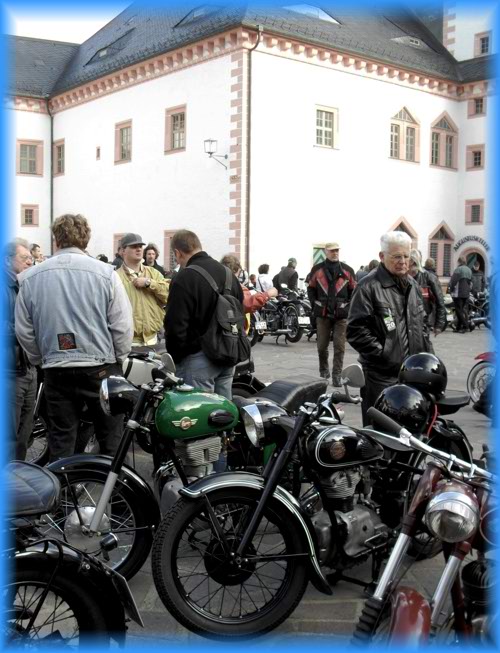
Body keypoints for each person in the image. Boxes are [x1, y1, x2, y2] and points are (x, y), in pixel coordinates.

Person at [15, 214, 133, 462]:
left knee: (61, 441)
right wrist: (118, 358)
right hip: (100, 366)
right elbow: (122, 324)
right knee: (111, 440)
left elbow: (24, 329)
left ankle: (62, 496)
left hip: (56, 368)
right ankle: (112, 498)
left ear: (56, 239)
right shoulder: (106, 273)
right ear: (85, 239)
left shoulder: (30, 277)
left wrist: (41, 358)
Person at [346, 230, 433, 424]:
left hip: (414, 373)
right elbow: (355, 330)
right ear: (382, 256)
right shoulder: (368, 286)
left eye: (406, 256)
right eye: (397, 256)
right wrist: (384, 354)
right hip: (381, 376)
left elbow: (422, 324)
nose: (403, 261)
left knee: (412, 432)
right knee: (381, 432)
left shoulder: (412, 284)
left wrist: (428, 356)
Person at [164, 230, 243, 399]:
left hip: (198, 359)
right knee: (222, 415)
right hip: (228, 354)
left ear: (177, 253)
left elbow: (175, 326)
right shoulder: (229, 275)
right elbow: (238, 310)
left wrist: (177, 359)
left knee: (197, 418)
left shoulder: (184, 277)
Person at [307, 242, 356, 385]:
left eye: (337, 251)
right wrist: (314, 303)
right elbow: (311, 288)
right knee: (322, 346)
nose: (335, 253)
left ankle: (336, 375)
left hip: (341, 315)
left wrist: (348, 306)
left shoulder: (348, 270)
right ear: (326, 252)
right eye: (332, 251)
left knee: (339, 347)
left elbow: (354, 291)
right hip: (322, 313)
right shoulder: (317, 269)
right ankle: (324, 371)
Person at [6, 238, 36, 460]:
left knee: (24, 433)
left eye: (31, 258)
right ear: (7, 260)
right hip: (10, 372)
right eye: (24, 258)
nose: (30, 262)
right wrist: (28, 329)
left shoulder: (24, 284)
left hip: (28, 368)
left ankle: (17, 477)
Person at [117, 233, 169, 348]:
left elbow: (168, 296)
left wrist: (149, 283)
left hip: (153, 339)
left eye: (140, 246)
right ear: (123, 251)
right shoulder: (115, 277)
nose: (139, 249)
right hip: (128, 342)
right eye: (134, 246)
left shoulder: (154, 273)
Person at [409, 249, 446, 336]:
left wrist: (439, 325)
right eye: (410, 262)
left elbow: (440, 301)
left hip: (424, 322)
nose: (412, 265)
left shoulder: (429, 277)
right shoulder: (403, 278)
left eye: (414, 262)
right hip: (408, 322)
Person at [448, 256, 472, 333]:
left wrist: (450, 290)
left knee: (458, 311)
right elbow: (471, 282)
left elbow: (453, 281)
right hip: (466, 293)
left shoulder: (458, 269)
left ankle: (465, 326)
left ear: (459, 262)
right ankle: (458, 327)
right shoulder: (469, 270)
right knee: (461, 311)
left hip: (458, 293)